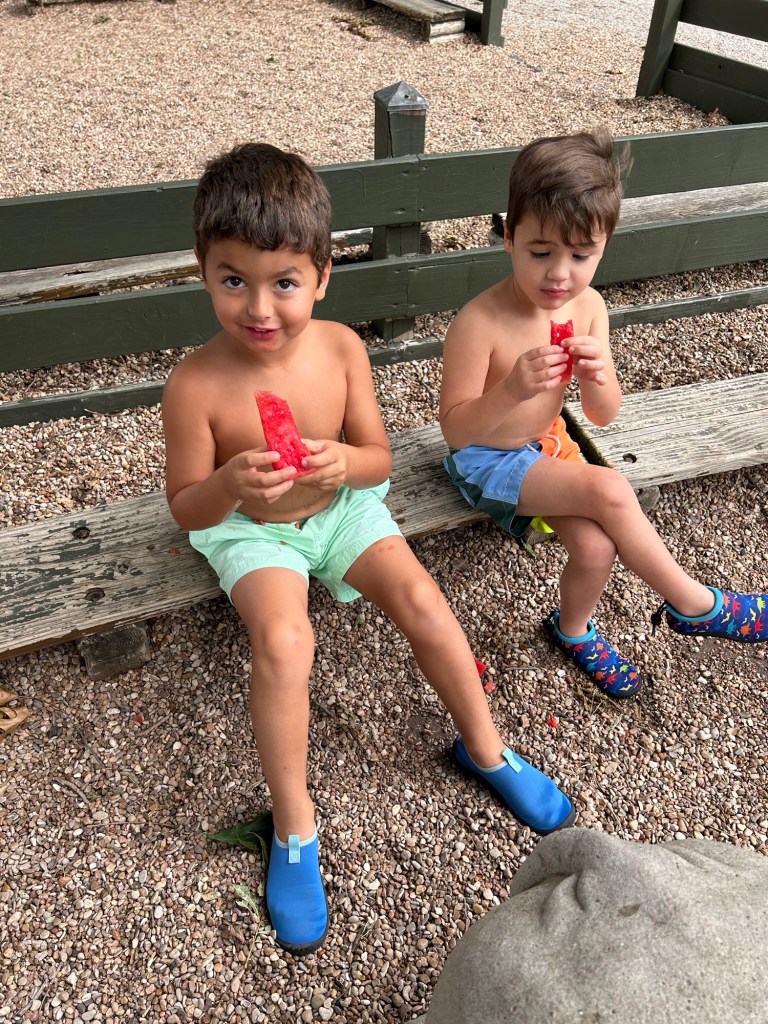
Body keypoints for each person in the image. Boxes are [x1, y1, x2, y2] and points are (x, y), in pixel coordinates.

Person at [161, 143, 575, 957]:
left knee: (424, 599)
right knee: (286, 641)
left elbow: (378, 460)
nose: (260, 307)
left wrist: (342, 465)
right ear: (203, 271)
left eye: (284, 282)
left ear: (322, 276)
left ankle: (485, 748)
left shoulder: (342, 350)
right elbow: (186, 507)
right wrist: (231, 485)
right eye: (233, 280)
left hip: (341, 507)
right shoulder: (194, 385)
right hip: (252, 527)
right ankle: (293, 826)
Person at [439, 129, 767, 701]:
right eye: (540, 252)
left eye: (580, 255)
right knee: (612, 488)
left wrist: (598, 376)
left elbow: (603, 414)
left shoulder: (589, 307)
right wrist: (511, 390)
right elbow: (456, 430)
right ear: (509, 238)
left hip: (547, 445)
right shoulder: (479, 323)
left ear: (604, 246)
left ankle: (572, 630)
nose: (559, 274)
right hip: (486, 460)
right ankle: (694, 604)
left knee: (596, 549)